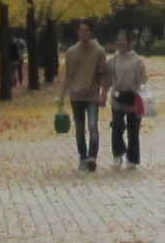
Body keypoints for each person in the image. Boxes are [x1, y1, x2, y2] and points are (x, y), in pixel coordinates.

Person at [58, 20, 111, 170]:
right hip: (76, 95)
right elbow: (68, 75)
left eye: (86, 30)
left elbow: (103, 74)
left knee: (92, 125)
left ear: (91, 32)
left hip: (92, 95)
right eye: (81, 30)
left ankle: (92, 157)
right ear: (78, 32)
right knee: (79, 128)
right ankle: (83, 156)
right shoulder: (71, 52)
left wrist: (103, 93)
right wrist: (62, 94)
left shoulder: (98, 51)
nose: (83, 33)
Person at [107, 30, 149, 168]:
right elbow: (108, 76)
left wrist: (139, 90)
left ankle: (132, 158)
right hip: (117, 98)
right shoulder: (113, 60)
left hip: (133, 98)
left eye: (123, 39)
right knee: (117, 127)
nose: (121, 42)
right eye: (118, 39)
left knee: (133, 130)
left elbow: (142, 79)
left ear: (129, 42)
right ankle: (118, 154)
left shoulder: (136, 60)